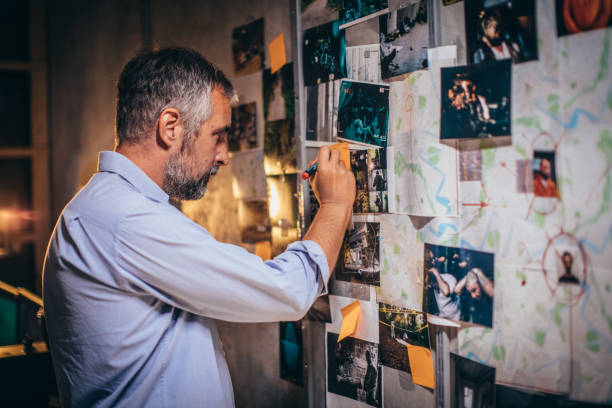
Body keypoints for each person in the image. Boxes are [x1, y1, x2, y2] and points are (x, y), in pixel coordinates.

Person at [42, 47, 356, 407]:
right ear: (170, 126)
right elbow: (287, 290)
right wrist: (334, 205)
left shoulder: (97, 208)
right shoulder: (128, 220)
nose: (224, 154)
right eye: (218, 135)